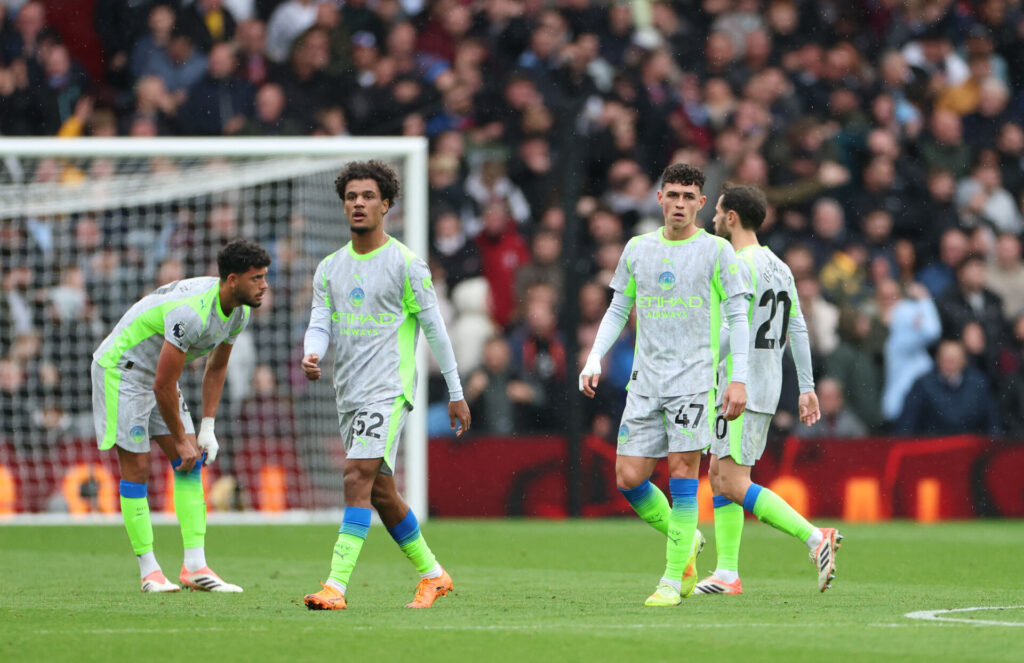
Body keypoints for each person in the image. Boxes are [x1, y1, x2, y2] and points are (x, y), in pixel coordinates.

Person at [579, 163, 752, 607]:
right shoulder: (638, 248)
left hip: (693, 381)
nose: (679, 204)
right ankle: (687, 539)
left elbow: (738, 316)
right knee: (629, 477)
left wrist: (738, 379)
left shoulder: (716, 252)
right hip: (645, 381)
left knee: (682, 474)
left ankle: (673, 580)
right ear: (659, 199)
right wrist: (594, 355)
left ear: (701, 203)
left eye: (687, 196)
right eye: (672, 195)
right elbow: (619, 309)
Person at [301, 160, 471, 611]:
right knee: (380, 492)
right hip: (349, 392)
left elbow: (436, 331)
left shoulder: (406, 265)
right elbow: (320, 323)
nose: (359, 203)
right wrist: (311, 351)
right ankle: (434, 575)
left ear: (387, 205)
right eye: (352, 197)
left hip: (388, 390)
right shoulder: (330, 268)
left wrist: (455, 391)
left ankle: (335, 586)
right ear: (343, 205)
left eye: (368, 196)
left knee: (355, 476)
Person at [91, 238, 271, 593]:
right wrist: (179, 438)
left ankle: (194, 567)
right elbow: (163, 384)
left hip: (158, 377)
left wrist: (207, 428)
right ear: (233, 280)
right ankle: (150, 572)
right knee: (139, 467)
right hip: (122, 371)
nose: (264, 285)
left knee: (191, 460)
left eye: (265, 276)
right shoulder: (192, 313)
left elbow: (216, 368)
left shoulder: (240, 311)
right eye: (257, 278)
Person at [696, 184, 841, 596]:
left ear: (732, 217)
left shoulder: (737, 263)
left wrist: (696, 359)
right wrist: (806, 387)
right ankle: (726, 573)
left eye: (718, 211)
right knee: (720, 477)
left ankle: (816, 538)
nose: (712, 218)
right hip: (760, 381)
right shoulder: (779, 265)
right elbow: (796, 326)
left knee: (736, 481)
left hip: (742, 384)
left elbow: (733, 328)